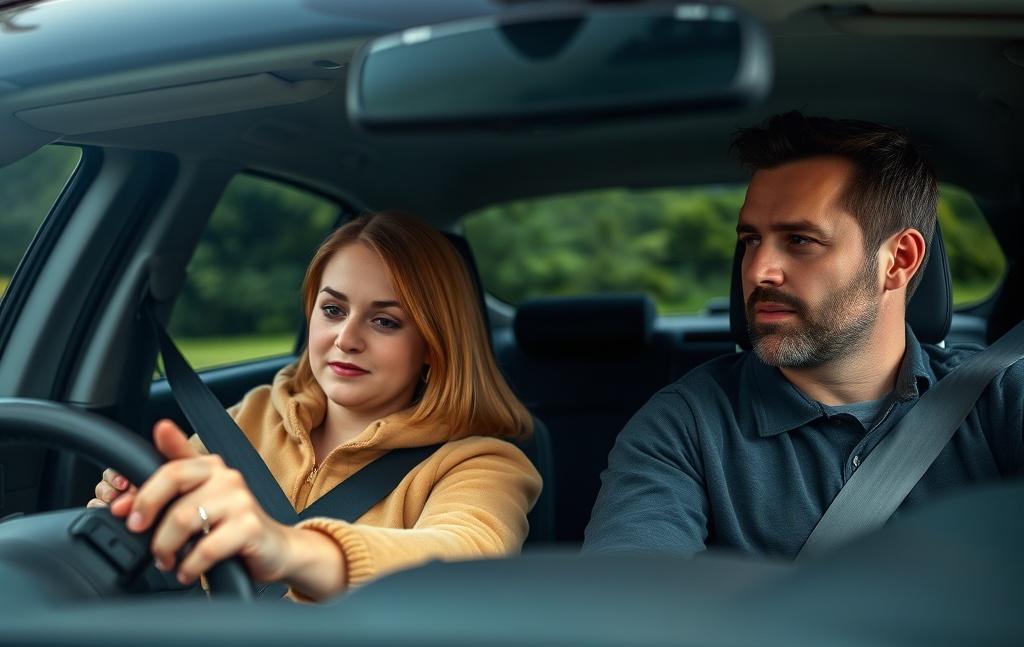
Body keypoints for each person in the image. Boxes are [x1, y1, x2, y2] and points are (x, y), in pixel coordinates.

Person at [584, 112, 1023, 557]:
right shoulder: (685, 425)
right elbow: (629, 586)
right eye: (751, 240)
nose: (758, 271)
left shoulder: (1000, 398)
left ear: (898, 261)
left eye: (799, 240)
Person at [89, 211, 541, 600]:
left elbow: (466, 555)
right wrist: (140, 514)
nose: (346, 339)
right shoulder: (253, 415)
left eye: (385, 321)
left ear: (432, 345)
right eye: (333, 310)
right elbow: (184, 533)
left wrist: (286, 548)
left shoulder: (482, 464)